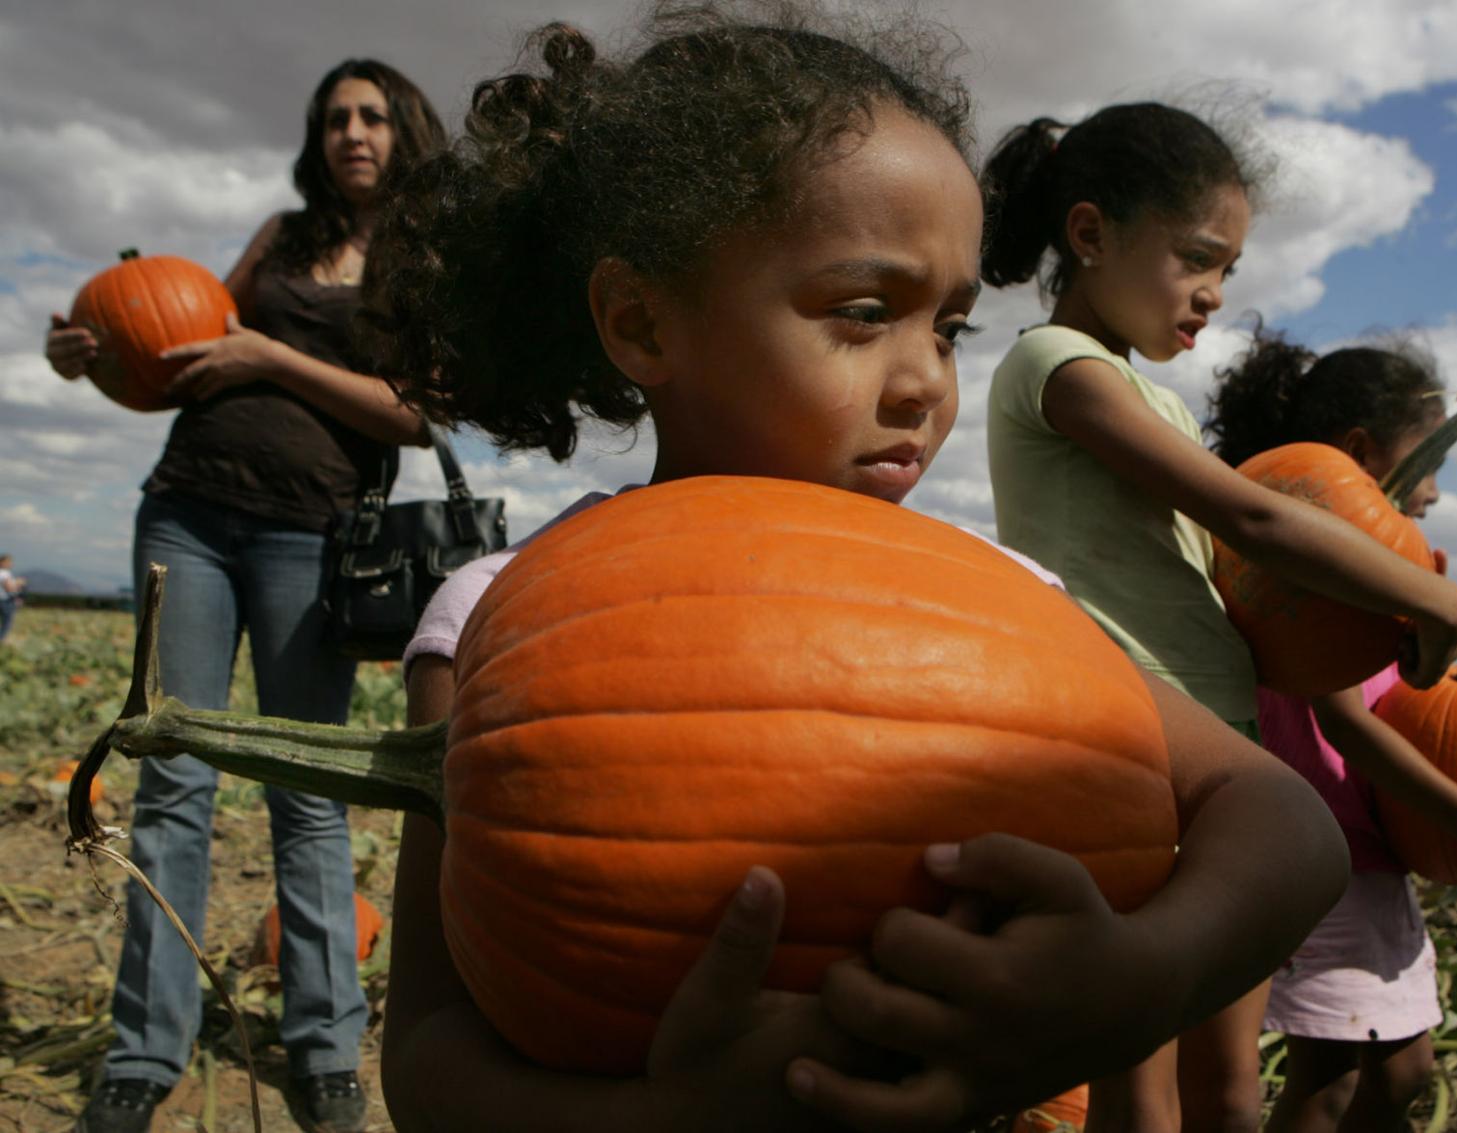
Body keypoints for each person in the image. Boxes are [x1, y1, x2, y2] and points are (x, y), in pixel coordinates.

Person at [362, 9, 1349, 1131]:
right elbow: (430, 1062)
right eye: (865, 312)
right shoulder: (499, 615)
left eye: (950, 328)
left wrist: (1145, 975)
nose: (923, 379)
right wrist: (672, 1114)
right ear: (640, 321)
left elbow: (1279, 815)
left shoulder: (989, 595)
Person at [977, 105, 1457, 1132]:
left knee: (1224, 1068)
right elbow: (1245, 514)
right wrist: (1423, 590)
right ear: (1089, 234)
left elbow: (1233, 581)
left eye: (1227, 271)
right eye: (1196, 258)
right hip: (1128, 730)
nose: (1212, 292)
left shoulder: (1150, 399)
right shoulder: (1055, 369)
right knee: (1138, 1070)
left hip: (1213, 738)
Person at [44, 59, 444, 1133]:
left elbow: (415, 415)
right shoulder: (281, 235)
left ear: (406, 128)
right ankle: (144, 1047)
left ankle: (321, 1045)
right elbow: (181, 354)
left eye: (369, 115)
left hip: (312, 533)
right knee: (169, 774)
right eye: (332, 119)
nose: (349, 132)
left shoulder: (426, 260)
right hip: (187, 507)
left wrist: (273, 353)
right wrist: (88, 360)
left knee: (304, 789)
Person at [1208, 329, 1457, 1132]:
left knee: (1392, 1072)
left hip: (1363, 847)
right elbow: (1345, 720)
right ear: (1361, 451)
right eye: (1433, 467)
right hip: (1321, 849)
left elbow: (1430, 707)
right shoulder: (1327, 571)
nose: (1437, 496)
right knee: (1340, 1079)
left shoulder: (1388, 566)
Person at [0, 553, 24, 643]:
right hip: (5, 601)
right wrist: (19, 583)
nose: (11, 564)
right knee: (6, 623)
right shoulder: (5, 573)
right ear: (2, 562)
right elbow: (9, 588)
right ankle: (1, 641)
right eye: (9, 562)